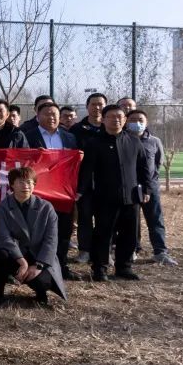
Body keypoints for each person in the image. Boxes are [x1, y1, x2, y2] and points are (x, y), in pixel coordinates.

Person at [78, 104, 150, 282]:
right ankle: (100, 268)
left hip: (131, 197)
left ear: (125, 120)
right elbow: (86, 171)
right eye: (111, 116)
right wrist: (80, 191)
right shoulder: (94, 143)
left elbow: (143, 167)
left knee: (129, 234)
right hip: (105, 198)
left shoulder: (134, 141)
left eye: (120, 117)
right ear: (103, 119)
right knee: (103, 234)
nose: (116, 120)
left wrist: (146, 189)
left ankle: (124, 267)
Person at [0, 167, 67, 305]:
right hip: (15, 255)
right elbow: (4, 237)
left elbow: (51, 240)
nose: (25, 186)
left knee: (43, 282)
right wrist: (22, 261)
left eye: (29, 182)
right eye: (21, 182)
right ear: (12, 184)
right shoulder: (2, 208)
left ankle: (41, 294)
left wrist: (39, 265)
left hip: (39, 256)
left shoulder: (46, 208)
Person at [25, 101, 80, 280]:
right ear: (38, 116)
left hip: (63, 191)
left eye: (54, 114)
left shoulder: (69, 137)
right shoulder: (27, 136)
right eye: (46, 114)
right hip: (38, 191)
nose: (51, 117)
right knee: (37, 230)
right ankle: (36, 265)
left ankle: (60, 265)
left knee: (63, 229)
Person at [125, 110, 178, 266]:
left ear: (146, 122)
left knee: (155, 219)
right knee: (130, 221)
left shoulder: (154, 141)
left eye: (140, 120)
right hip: (129, 187)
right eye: (132, 119)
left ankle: (160, 252)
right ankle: (131, 250)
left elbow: (158, 163)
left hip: (150, 187)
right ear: (126, 122)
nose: (136, 123)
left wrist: (149, 184)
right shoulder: (123, 140)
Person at [69, 93, 107, 263]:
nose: (97, 107)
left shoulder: (110, 127)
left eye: (100, 104)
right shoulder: (77, 130)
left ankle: (104, 251)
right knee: (84, 217)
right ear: (87, 106)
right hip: (83, 182)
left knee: (105, 219)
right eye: (93, 104)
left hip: (106, 182)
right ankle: (84, 250)